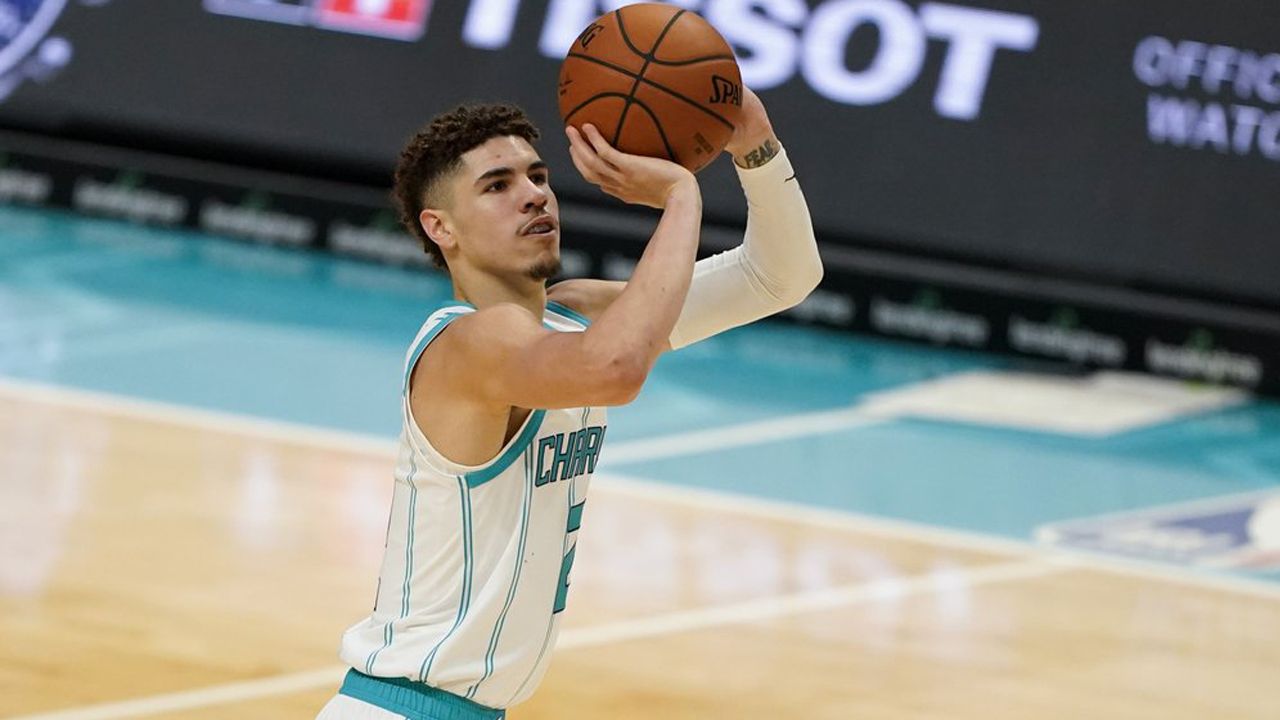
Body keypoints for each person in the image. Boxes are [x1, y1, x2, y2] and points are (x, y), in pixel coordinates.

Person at [317, 88, 822, 720]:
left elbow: (780, 276)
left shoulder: (573, 318)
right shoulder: (470, 341)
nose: (533, 194)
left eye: (538, 176)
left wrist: (754, 143)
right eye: (496, 186)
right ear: (439, 227)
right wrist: (680, 196)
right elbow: (615, 370)